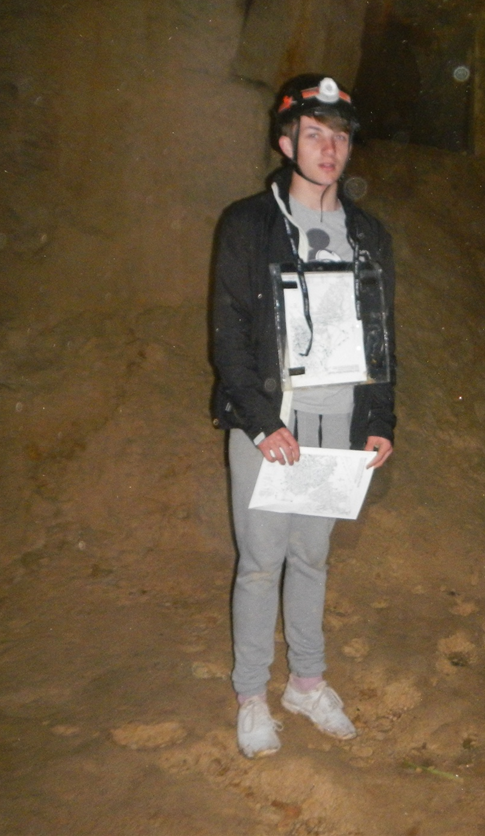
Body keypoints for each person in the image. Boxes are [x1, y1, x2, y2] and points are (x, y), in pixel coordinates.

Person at [210, 74, 396, 758]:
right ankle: (251, 695)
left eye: (339, 136)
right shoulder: (249, 224)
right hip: (272, 426)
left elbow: (381, 334)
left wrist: (380, 418)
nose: (328, 149)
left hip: (336, 424)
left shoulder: (368, 234)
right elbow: (229, 331)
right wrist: (261, 421)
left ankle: (307, 683)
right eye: (313, 134)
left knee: (311, 558)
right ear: (286, 143)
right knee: (261, 563)